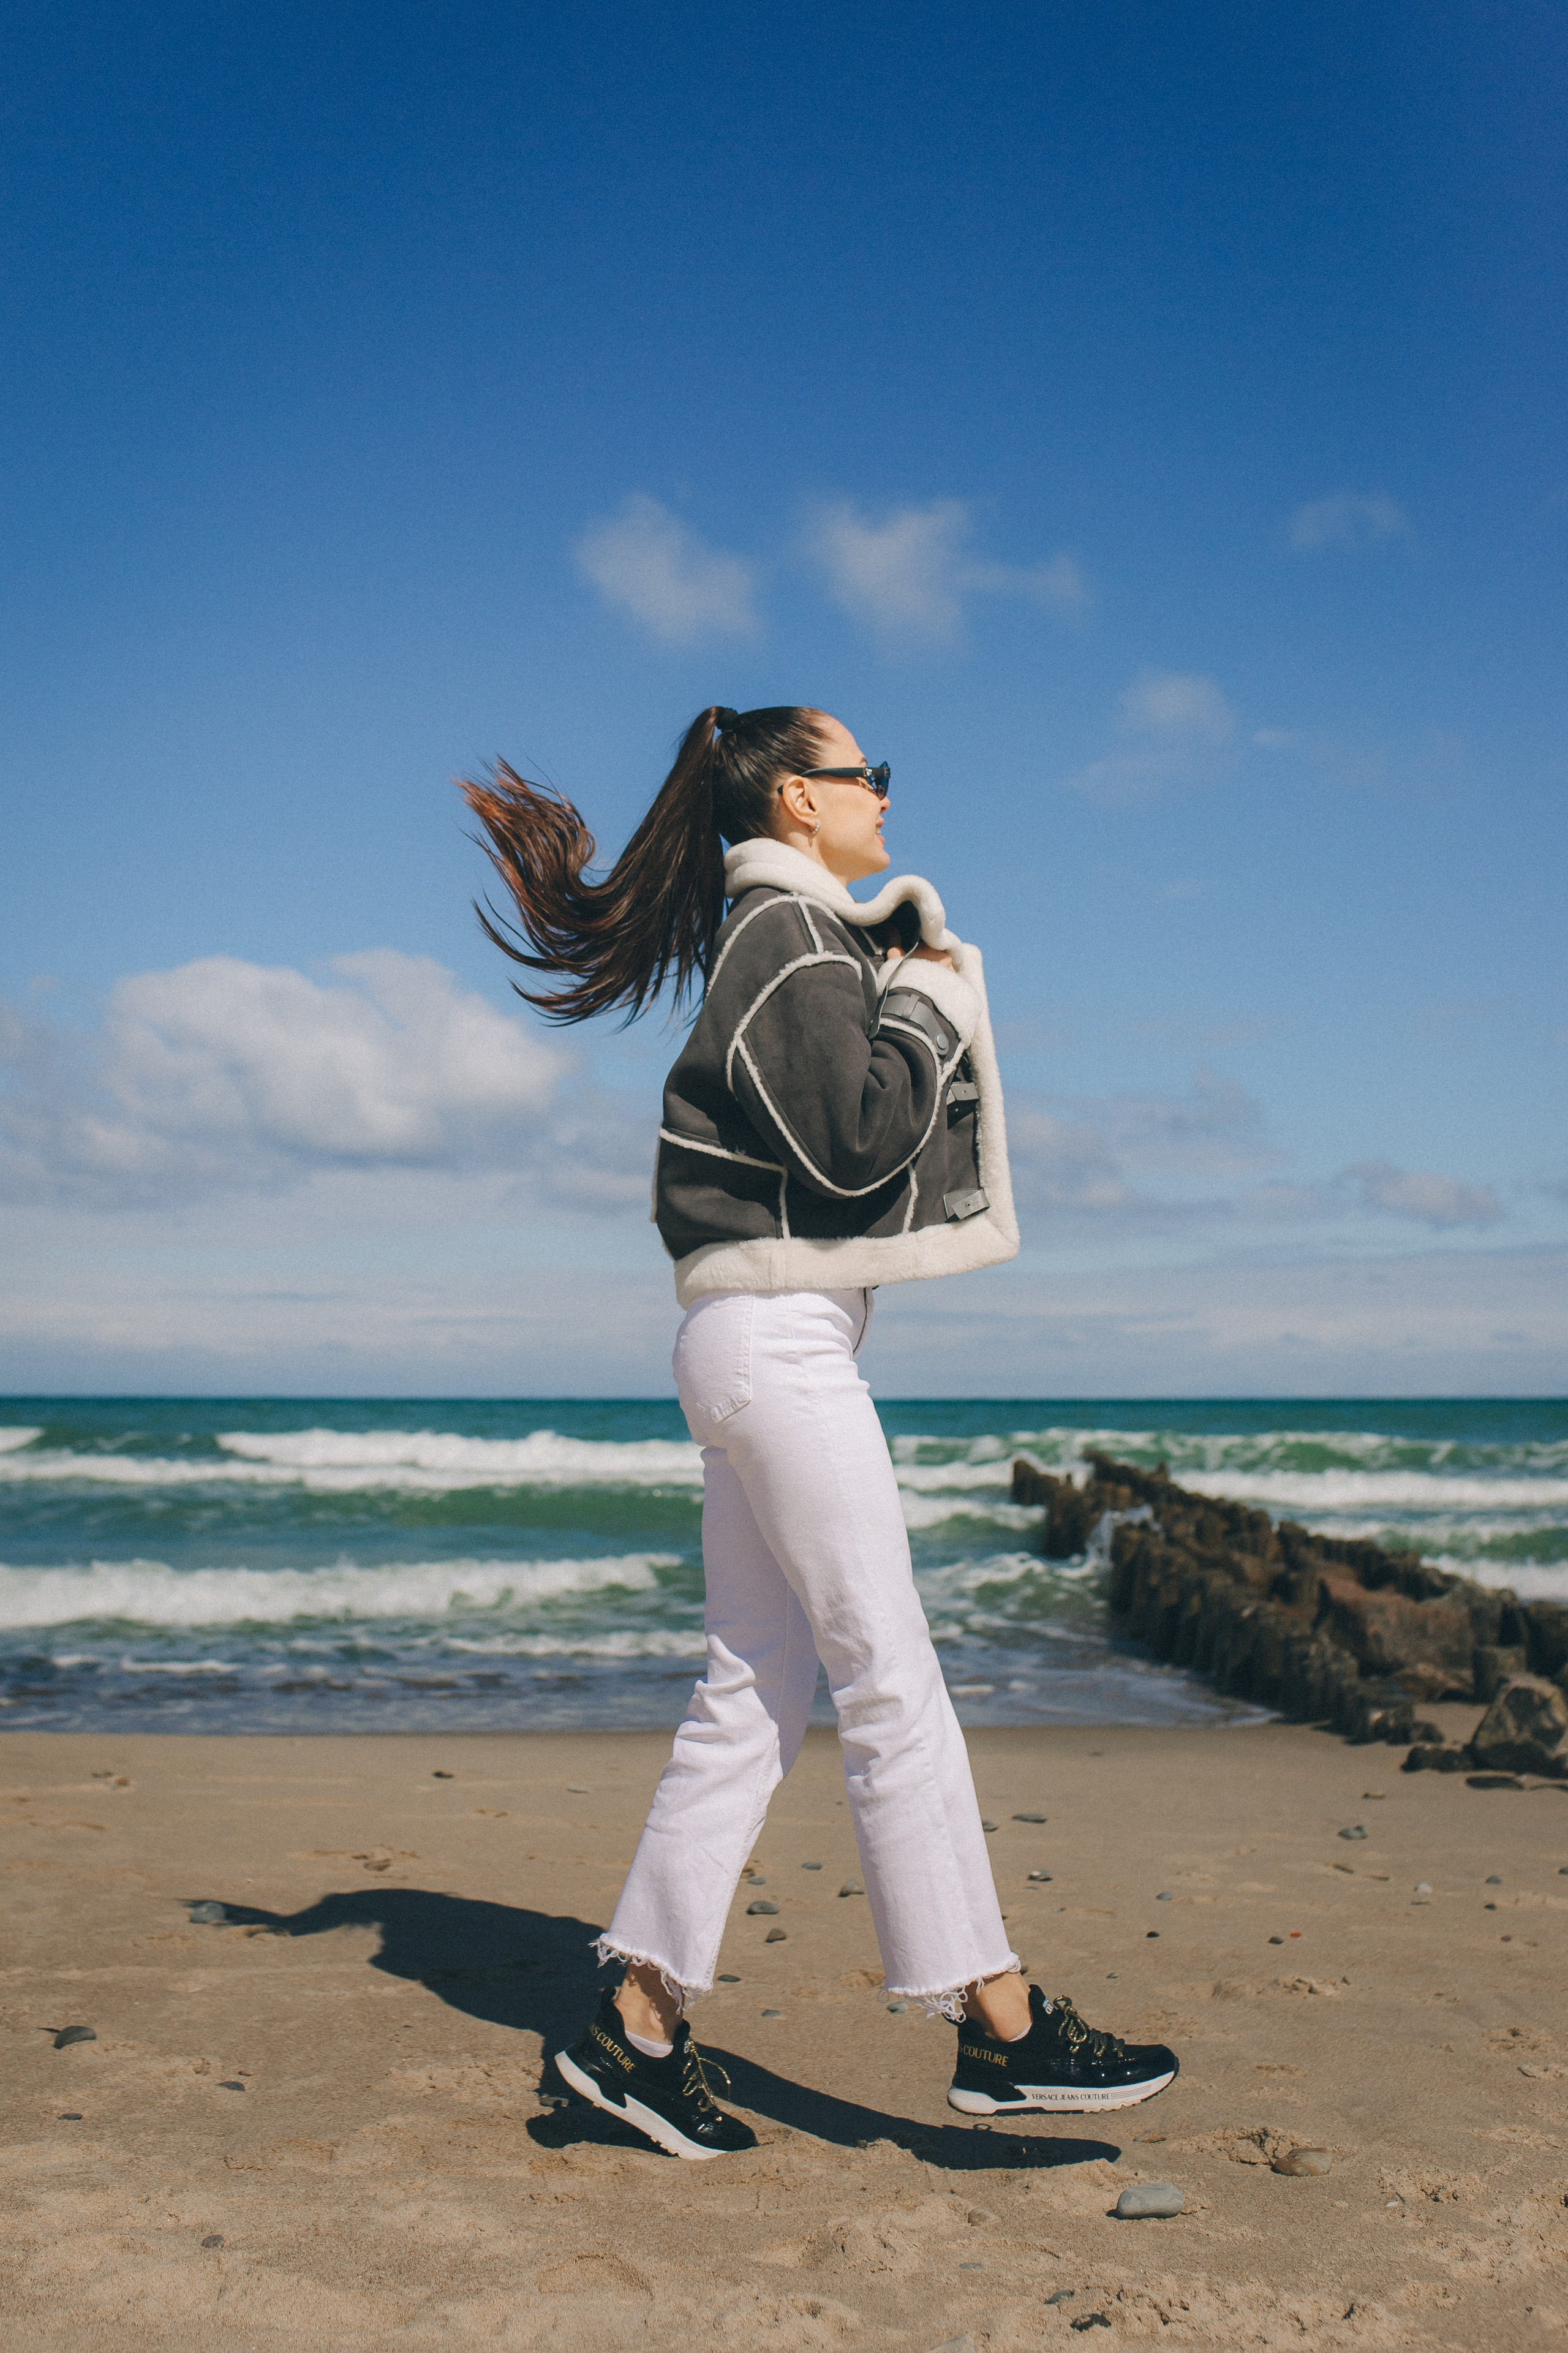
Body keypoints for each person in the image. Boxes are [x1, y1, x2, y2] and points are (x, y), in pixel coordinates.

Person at [461, 704, 1177, 2160]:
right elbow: (853, 1139)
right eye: (871, 779)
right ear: (799, 796)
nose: (889, 804)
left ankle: (636, 2030)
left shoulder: (782, 939)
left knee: (751, 1697)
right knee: (889, 1675)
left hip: (752, 1335)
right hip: (778, 1343)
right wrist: (921, 997)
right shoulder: (787, 941)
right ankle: (1000, 2027)